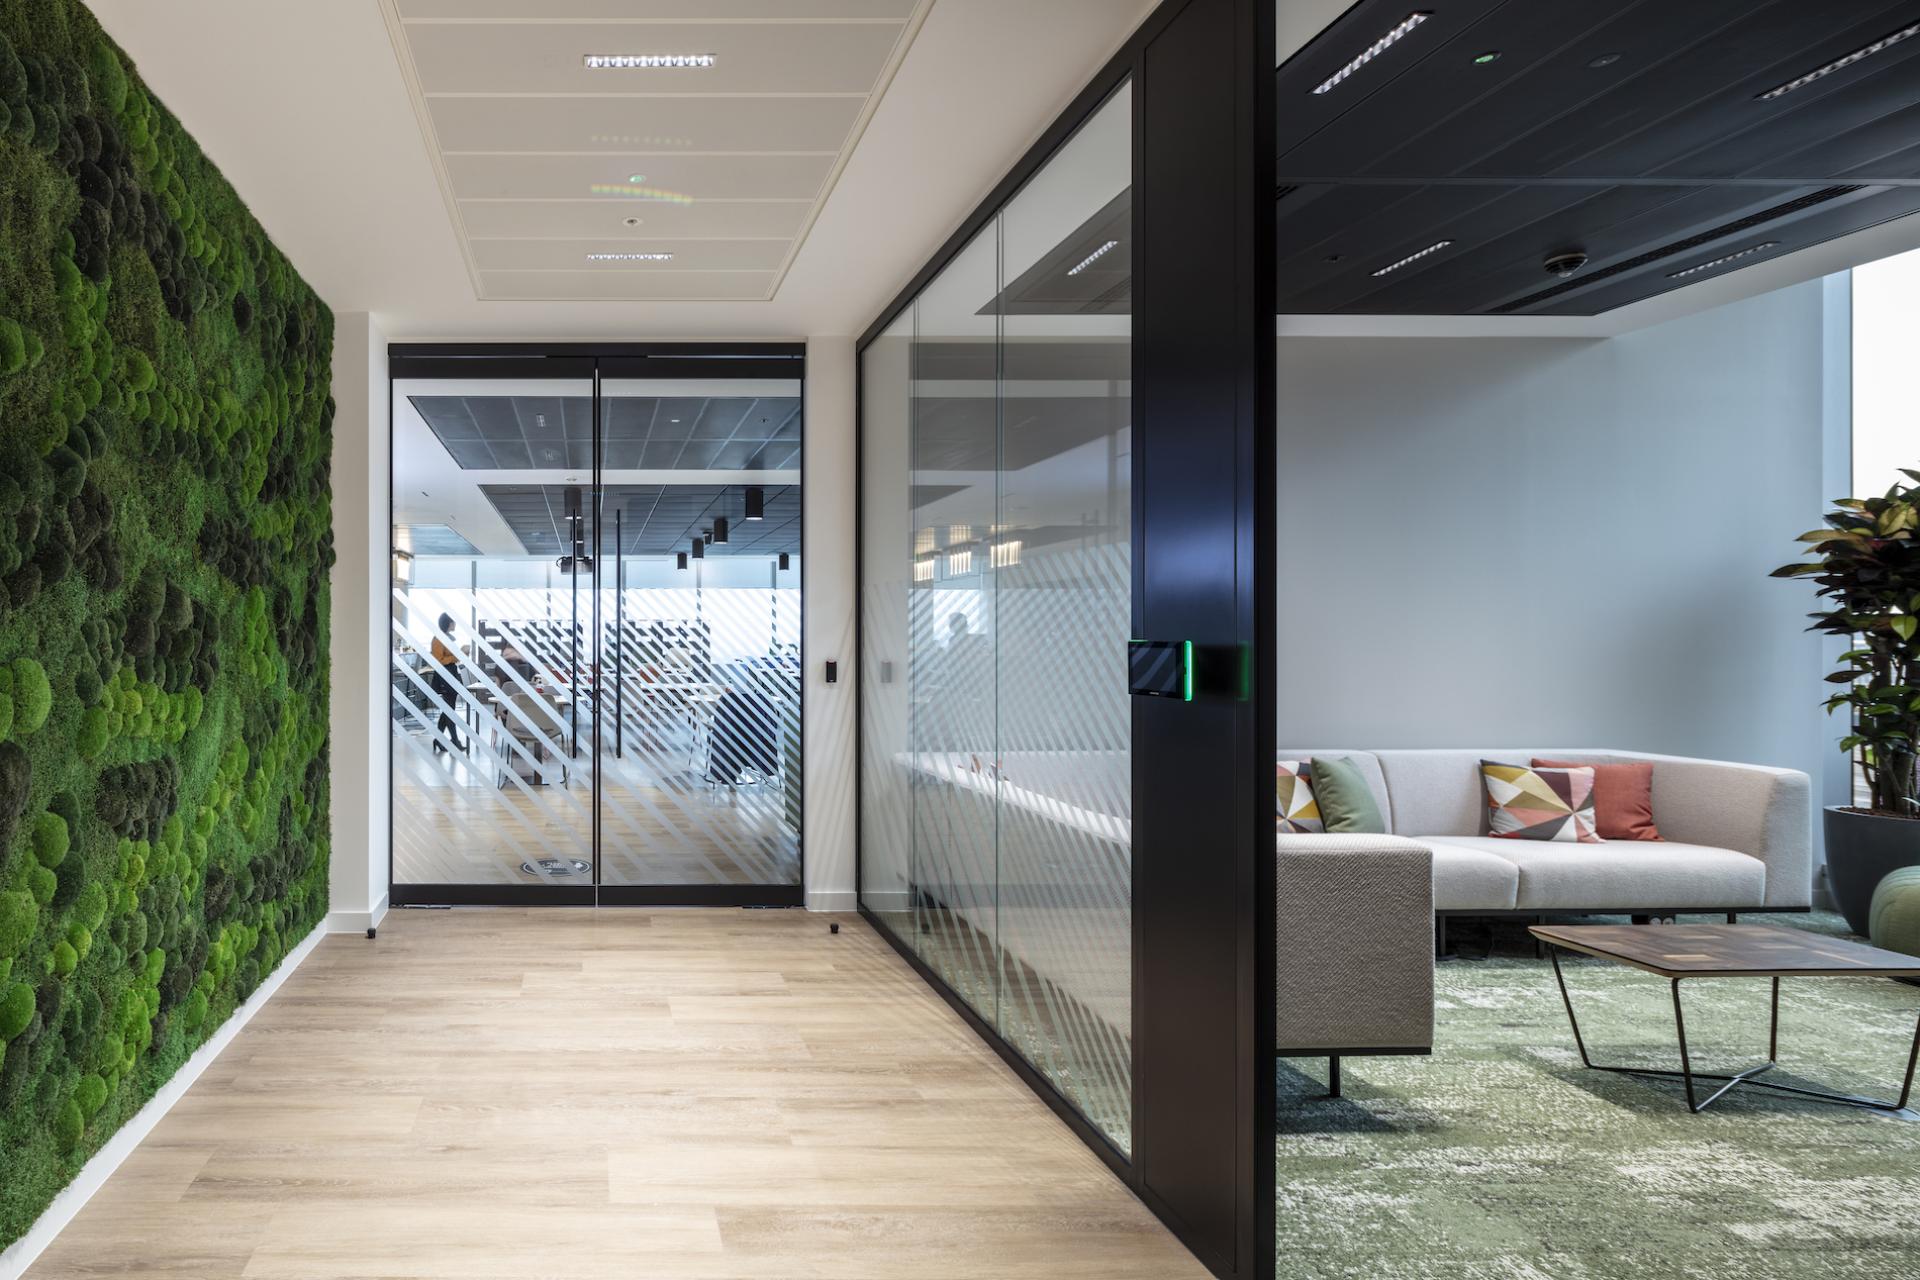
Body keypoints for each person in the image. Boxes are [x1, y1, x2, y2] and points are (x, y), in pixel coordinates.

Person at [428, 613, 468, 755]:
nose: (455, 624)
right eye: (453, 622)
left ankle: (440, 740)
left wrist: (460, 654)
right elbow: (439, 660)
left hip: (451, 673)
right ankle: (454, 740)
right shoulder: (438, 639)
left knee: (449, 710)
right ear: (448, 623)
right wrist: (458, 654)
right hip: (444, 676)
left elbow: (450, 658)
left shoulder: (447, 638)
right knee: (449, 710)